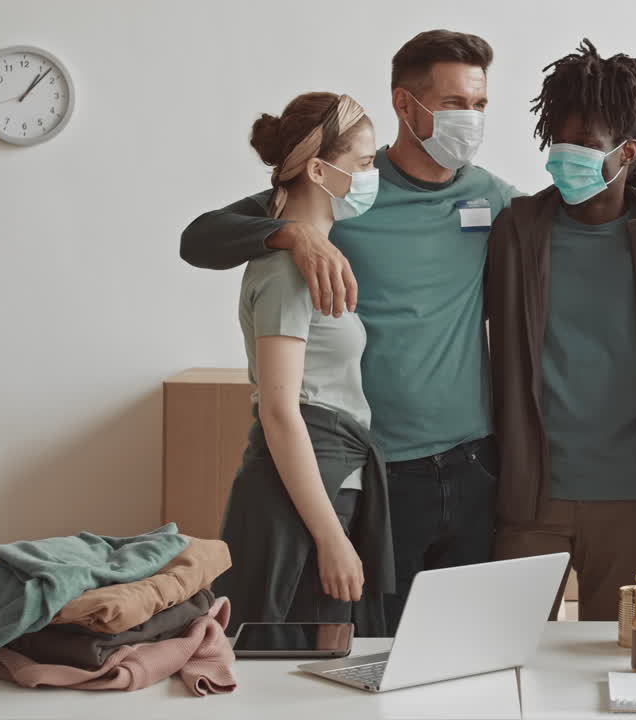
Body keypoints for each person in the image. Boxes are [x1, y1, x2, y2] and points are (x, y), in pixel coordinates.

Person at [179, 31, 636, 633]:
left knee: (470, 648)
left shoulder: (496, 204)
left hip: (476, 468)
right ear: (406, 106)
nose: (472, 120)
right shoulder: (344, 188)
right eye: (455, 104)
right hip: (383, 471)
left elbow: (585, 205)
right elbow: (201, 236)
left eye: (480, 105)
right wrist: (292, 235)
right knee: (382, 651)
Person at [486, 40, 636, 621]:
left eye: (586, 145)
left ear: (627, 152)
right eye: (559, 144)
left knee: (614, 663)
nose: (567, 158)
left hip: (632, 500)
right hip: (532, 495)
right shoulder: (517, 231)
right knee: (511, 652)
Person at [212, 92, 394, 636]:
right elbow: (280, 411)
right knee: (298, 671)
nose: (372, 174)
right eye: (363, 163)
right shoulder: (290, 271)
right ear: (319, 169)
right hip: (303, 496)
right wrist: (331, 538)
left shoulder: (312, 260)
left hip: (327, 483)